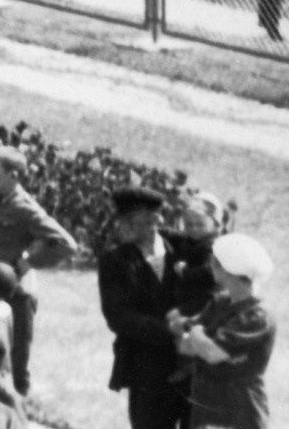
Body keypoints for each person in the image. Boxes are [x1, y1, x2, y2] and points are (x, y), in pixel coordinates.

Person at [0, 146, 75, 396]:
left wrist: (29, 262)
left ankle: (18, 408)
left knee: (15, 359)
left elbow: (67, 245)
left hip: (13, 294)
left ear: (13, 175)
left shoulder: (26, 209)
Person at [98, 184, 184, 429]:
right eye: (120, 218)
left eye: (130, 219)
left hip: (190, 362)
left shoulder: (181, 247)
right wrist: (169, 332)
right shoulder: (114, 260)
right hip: (145, 364)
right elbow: (117, 316)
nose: (121, 225)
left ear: (155, 219)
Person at [178, 232, 273, 429]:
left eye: (213, 261)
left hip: (240, 407)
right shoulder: (219, 303)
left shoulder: (256, 316)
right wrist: (203, 342)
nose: (209, 265)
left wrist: (196, 331)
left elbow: (212, 353)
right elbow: (185, 346)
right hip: (207, 403)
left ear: (226, 269)